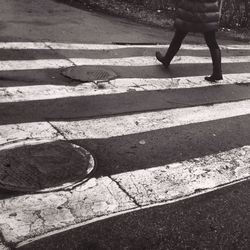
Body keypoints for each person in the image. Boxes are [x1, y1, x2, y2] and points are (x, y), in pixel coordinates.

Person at [156, 0, 223, 82]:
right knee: (211, 41)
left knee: (179, 36)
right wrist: (219, 10)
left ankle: (166, 60)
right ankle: (217, 72)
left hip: (190, 10)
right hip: (208, 12)